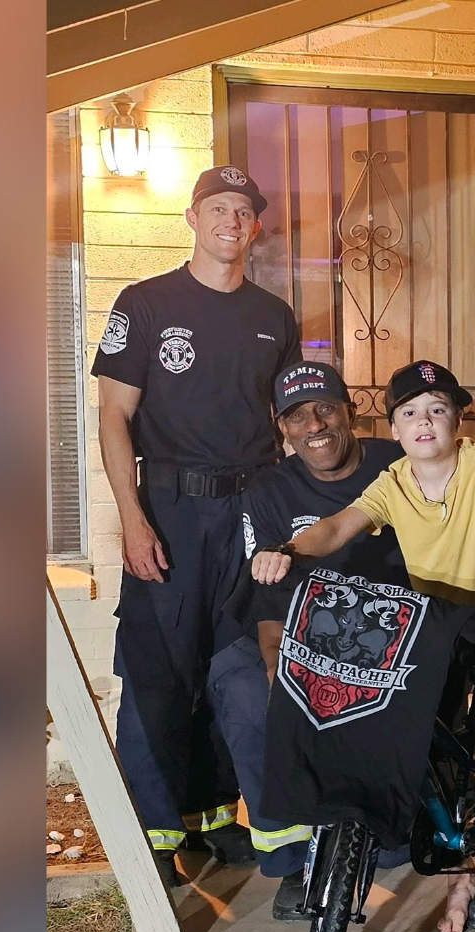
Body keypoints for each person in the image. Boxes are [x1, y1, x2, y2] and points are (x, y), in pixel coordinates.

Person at [252, 360, 475, 932]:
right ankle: (459, 871)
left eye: (437, 410)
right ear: (394, 428)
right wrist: (285, 550)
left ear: (457, 420)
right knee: (408, 723)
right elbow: (337, 527)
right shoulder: (392, 482)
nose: (425, 422)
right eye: (410, 412)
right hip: (439, 624)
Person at [92, 164, 302, 889]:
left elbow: (288, 422)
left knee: (233, 662)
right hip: (171, 510)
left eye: (243, 210)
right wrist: (132, 516)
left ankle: (214, 815)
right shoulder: (145, 303)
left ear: (256, 226)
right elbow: (113, 415)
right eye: (218, 208)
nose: (230, 221)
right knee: (157, 669)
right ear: (191, 217)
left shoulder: (274, 315)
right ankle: (155, 831)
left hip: (249, 509)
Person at [211, 360, 412, 919]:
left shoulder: (398, 463)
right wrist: (282, 677)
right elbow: (268, 600)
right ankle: (292, 857)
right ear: (282, 428)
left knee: (395, 853)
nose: (315, 425)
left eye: (325, 408)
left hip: (388, 634)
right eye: (297, 416)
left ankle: (374, 817)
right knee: (246, 693)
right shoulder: (268, 490)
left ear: (351, 410)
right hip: (296, 630)